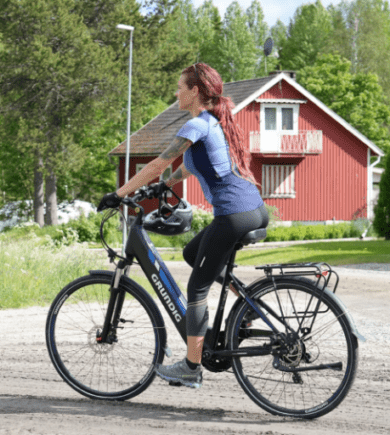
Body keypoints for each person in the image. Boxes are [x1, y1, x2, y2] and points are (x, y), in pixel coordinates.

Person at [97, 63, 268, 389]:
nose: (176, 93)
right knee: (193, 254)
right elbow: (190, 166)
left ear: (195, 91)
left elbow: (158, 163)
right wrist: (165, 185)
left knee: (197, 289)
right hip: (253, 210)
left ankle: (191, 366)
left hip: (233, 215)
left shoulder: (198, 124)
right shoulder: (213, 123)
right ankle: (250, 305)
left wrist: (119, 194)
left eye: (180, 88)